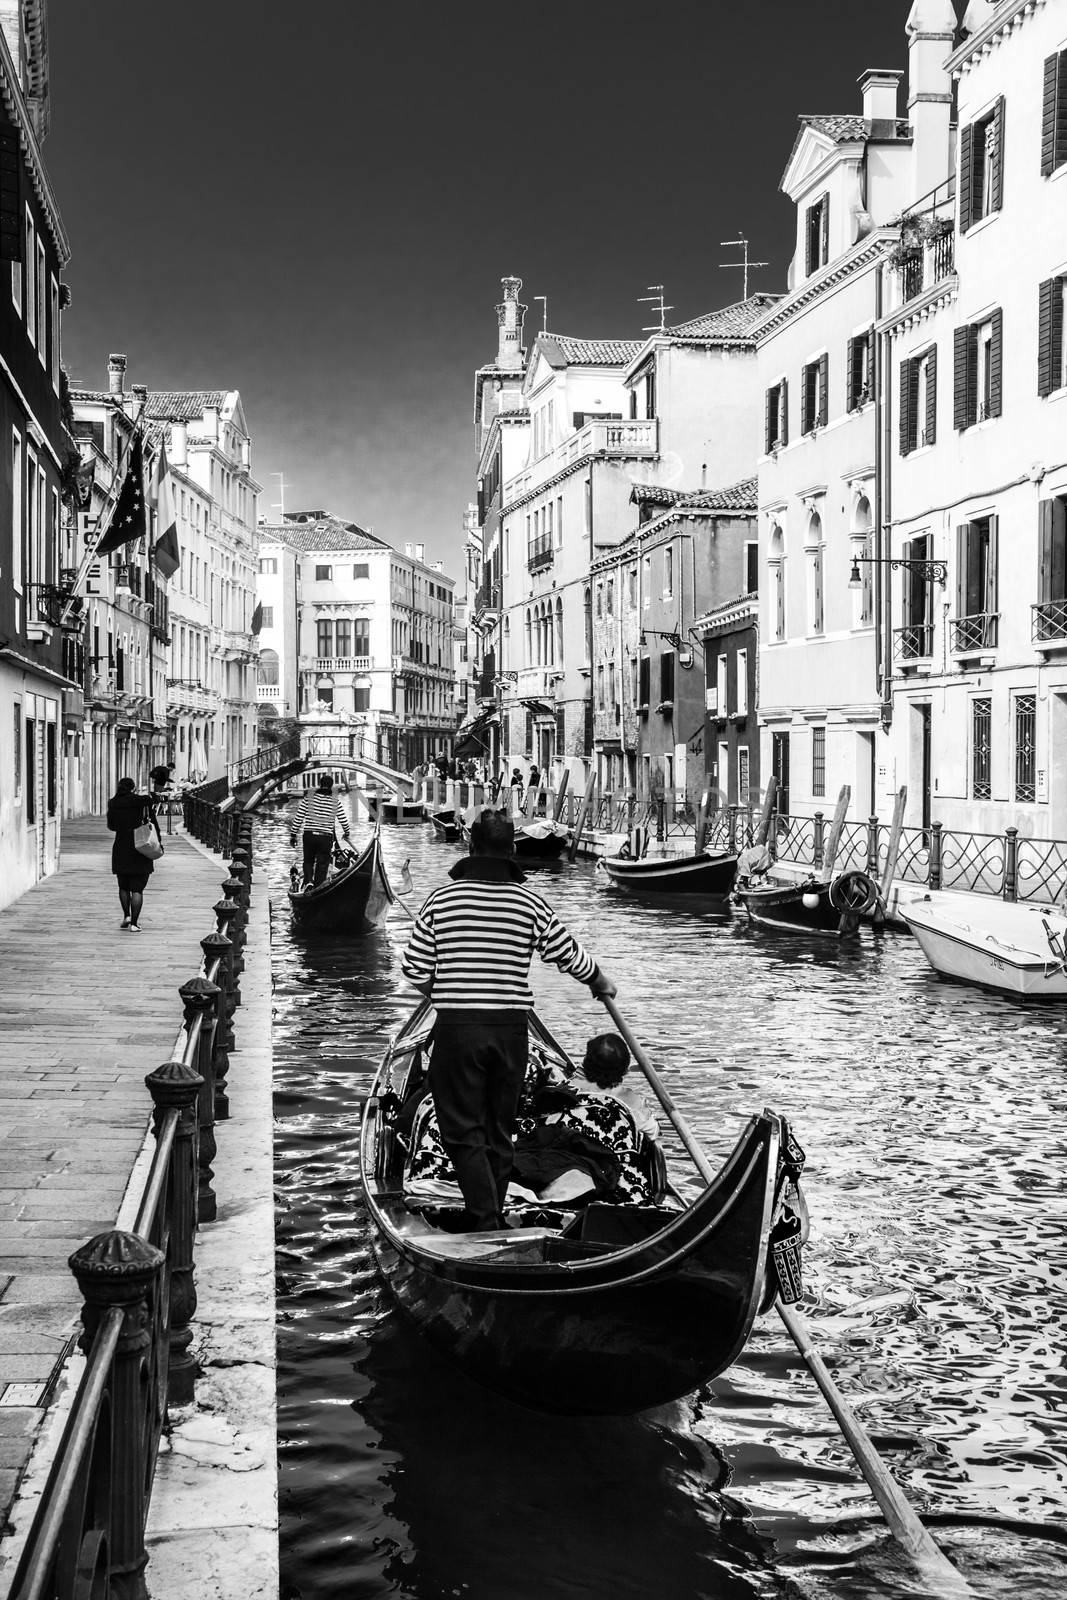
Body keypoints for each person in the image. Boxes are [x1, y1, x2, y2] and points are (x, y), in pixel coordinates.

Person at [400, 809, 616, 1230]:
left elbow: (413, 968)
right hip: (511, 1032)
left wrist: (446, 994)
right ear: (512, 850)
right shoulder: (530, 903)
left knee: (463, 1130)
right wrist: (600, 981)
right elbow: (568, 954)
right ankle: (491, 1213)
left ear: (471, 847)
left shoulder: (441, 901)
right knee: (499, 1128)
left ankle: (485, 1221)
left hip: (459, 1031)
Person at [573, 1033, 659, 1139]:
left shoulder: (568, 1089)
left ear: (586, 1061)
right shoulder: (631, 1101)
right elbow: (652, 1133)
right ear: (625, 1068)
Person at [107, 775, 163, 932]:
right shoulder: (143, 802)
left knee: (123, 886)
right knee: (137, 889)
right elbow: (154, 825)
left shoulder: (113, 803)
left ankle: (127, 916)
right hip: (141, 847)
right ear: (133, 788)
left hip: (121, 847)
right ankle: (134, 924)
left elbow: (111, 826)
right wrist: (159, 843)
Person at [289, 775, 352, 887]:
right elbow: (343, 820)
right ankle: (318, 887)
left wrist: (293, 835)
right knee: (322, 864)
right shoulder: (335, 801)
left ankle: (308, 882)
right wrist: (347, 832)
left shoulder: (309, 798)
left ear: (320, 784)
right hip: (325, 837)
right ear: (331, 786)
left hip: (309, 835)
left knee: (308, 861)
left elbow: (298, 818)